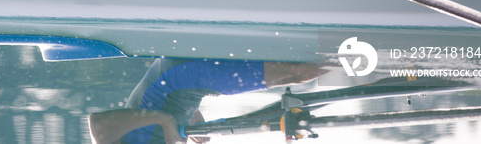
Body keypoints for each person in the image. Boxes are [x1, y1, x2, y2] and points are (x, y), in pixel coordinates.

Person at [88, 58, 320, 144]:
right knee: (292, 71)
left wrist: (167, 122)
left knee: (296, 74)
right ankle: (343, 51)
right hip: (182, 82)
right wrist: (194, 122)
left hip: (176, 77)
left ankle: (349, 54)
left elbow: (97, 124)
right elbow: (163, 112)